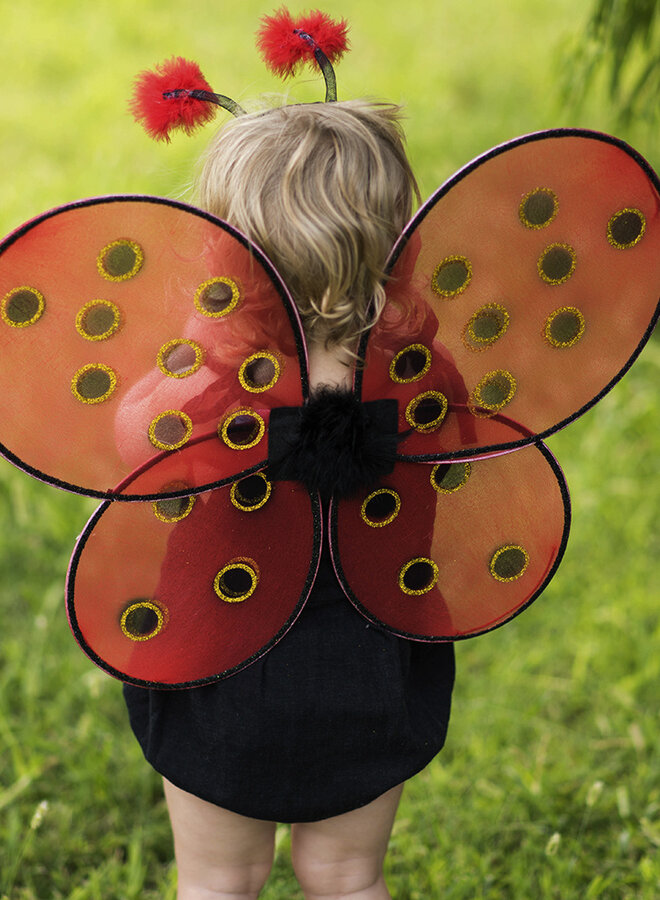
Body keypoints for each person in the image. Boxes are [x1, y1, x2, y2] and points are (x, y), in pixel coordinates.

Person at [122, 98, 456, 899]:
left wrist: (198, 349)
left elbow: (129, 444)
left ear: (235, 251)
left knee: (218, 881)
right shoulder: (421, 376)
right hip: (371, 661)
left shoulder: (207, 388)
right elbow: (448, 460)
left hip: (219, 666)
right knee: (346, 875)